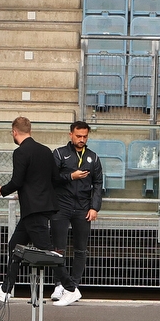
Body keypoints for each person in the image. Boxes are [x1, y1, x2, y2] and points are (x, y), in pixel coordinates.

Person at [0, 117, 59, 303]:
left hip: (33, 210)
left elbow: (17, 181)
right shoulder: (45, 151)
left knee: (47, 251)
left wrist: (1, 190)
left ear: (14, 132)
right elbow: (53, 179)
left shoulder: (20, 152)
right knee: (14, 247)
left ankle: (69, 287)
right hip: (37, 208)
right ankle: (6, 289)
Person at [50, 121, 104, 307]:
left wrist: (94, 207)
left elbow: (98, 184)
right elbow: (51, 177)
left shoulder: (93, 158)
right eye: (78, 136)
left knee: (81, 249)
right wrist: (70, 176)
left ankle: (73, 286)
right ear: (70, 134)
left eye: (85, 137)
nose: (82, 140)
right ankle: (59, 284)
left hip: (83, 207)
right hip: (61, 205)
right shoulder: (59, 154)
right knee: (58, 248)